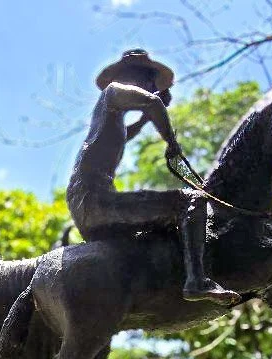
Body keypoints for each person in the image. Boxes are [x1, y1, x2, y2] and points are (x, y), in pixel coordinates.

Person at [66, 49, 239, 305]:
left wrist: (147, 118)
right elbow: (153, 102)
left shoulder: (109, 115)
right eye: (149, 81)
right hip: (97, 201)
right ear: (132, 77)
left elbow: (128, 132)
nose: (151, 86)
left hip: (87, 206)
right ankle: (196, 281)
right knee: (191, 202)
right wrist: (171, 143)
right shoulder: (113, 92)